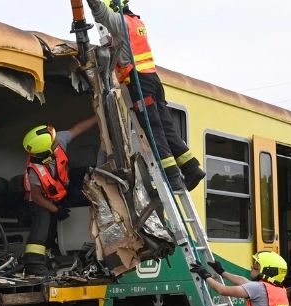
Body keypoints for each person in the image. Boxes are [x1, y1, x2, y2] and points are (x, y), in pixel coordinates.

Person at [85, 0, 206, 192]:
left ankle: (173, 178)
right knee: (166, 127)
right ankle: (191, 168)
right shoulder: (137, 23)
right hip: (152, 78)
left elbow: (101, 14)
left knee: (153, 130)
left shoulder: (121, 21)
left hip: (139, 81)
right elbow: (125, 45)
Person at [21, 117, 97, 276]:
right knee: (41, 228)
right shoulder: (35, 170)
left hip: (57, 194)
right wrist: (55, 210)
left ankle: (48, 258)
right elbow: (36, 197)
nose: (56, 139)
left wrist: (97, 118)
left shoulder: (58, 139)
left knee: (51, 231)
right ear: (45, 151)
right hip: (39, 200)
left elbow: (79, 128)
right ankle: (33, 264)